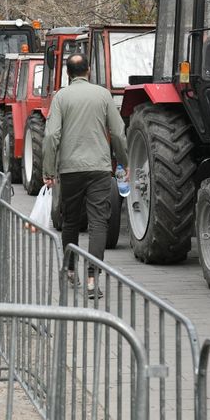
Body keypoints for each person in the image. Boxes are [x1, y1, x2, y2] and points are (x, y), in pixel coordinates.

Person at [42, 52, 128, 299]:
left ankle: (70, 270)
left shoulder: (61, 97)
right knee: (98, 222)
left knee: (70, 221)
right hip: (100, 169)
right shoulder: (103, 95)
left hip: (70, 169)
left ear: (67, 74)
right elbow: (119, 133)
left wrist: (48, 170)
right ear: (89, 71)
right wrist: (124, 162)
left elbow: (50, 136)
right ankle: (93, 278)